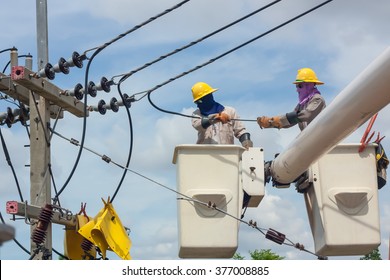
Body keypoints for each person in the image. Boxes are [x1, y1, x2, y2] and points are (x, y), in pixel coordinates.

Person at [257, 68, 326, 131]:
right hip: (311, 139)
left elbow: (306, 114)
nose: (297, 90)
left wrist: (275, 120)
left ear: (309, 85)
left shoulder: (317, 99)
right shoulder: (301, 106)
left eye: (299, 86)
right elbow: (290, 122)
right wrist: (270, 123)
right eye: (296, 86)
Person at [191, 81, 253, 149]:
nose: (197, 105)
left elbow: (240, 131)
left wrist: (248, 145)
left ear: (208, 97)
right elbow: (198, 125)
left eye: (199, 101)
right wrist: (216, 118)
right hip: (205, 154)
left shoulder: (230, 111)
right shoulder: (197, 114)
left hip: (226, 154)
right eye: (196, 102)